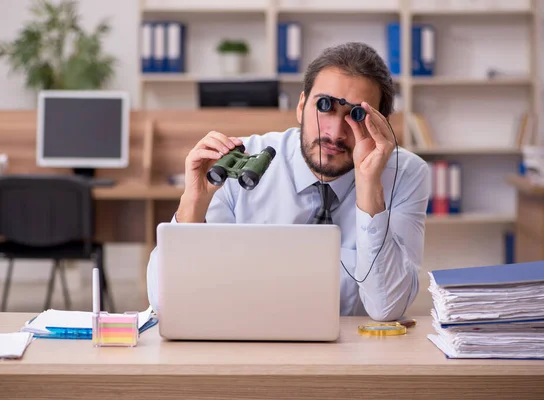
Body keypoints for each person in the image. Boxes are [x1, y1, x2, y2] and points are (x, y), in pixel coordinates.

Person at [146, 42, 430, 322]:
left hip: (355, 354)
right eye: (324, 106)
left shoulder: (404, 174)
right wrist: (192, 204)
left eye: (357, 116)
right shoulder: (242, 160)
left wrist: (370, 187)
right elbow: (164, 303)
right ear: (301, 106)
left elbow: (387, 308)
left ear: (380, 124)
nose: (335, 133)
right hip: (248, 342)